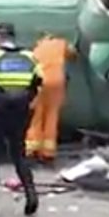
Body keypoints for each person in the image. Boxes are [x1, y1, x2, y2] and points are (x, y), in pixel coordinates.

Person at [0, 23, 41, 217]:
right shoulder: (29, 58)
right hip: (20, 112)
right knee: (19, 155)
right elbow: (39, 82)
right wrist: (25, 99)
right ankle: (31, 194)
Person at [26, 32, 76, 162]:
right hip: (57, 82)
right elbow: (73, 54)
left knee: (36, 116)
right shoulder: (61, 44)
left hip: (40, 82)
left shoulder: (36, 49)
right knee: (52, 115)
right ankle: (48, 152)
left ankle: (32, 148)